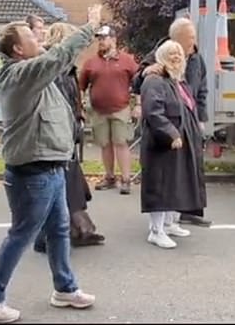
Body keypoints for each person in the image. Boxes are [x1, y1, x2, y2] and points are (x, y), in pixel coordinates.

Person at [0, 5, 103, 324]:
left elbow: (60, 63)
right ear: (18, 48)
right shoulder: (19, 75)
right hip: (33, 172)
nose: (39, 35)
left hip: (52, 166)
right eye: (32, 34)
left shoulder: (32, 72)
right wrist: (90, 26)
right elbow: (56, 58)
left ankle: (65, 289)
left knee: (59, 229)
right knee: (21, 235)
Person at [33, 22, 106, 254]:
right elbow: (58, 107)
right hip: (56, 140)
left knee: (70, 186)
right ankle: (50, 236)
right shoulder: (57, 72)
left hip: (64, 138)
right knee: (61, 189)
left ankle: (79, 229)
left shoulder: (66, 70)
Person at [132, 17, 212, 227]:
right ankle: (160, 225)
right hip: (169, 124)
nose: (193, 42)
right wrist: (144, 73)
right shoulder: (159, 58)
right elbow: (139, 82)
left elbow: (202, 89)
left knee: (186, 171)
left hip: (189, 120)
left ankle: (183, 212)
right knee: (166, 174)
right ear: (176, 38)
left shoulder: (196, 58)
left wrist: (201, 117)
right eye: (190, 38)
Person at [139, 40, 207, 249]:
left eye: (178, 53)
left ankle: (169, 224)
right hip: (162, 144)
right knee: (160, 186)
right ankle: (156, 231)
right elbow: (153, 112)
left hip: (180, 142)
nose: (176, 57)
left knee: (175, 184)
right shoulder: (154, 80)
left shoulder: (178, 81)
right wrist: (171, 133)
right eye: (171, 53)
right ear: (160, 57)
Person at [78, 25, 139, 195]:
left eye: (104, 38)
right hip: (98, 110)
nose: (101, 42)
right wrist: (80, 105)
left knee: (121, 142)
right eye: (99, 39)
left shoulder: (127, 60)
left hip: (121, 108)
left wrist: (139, 105)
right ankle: (110, 176)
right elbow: (80, 86)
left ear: (113, 39)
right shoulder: (91, 63)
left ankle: (126, 179)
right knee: (105, 144)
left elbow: (138, 82)